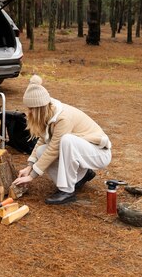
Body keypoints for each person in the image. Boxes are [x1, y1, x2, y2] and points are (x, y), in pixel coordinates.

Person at [12, 74, 111, 205]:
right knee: (42, 150)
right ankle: (81, 177)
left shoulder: (63, 118)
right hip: (82, 149)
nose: (28, 112)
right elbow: (42, 140)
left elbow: (54, 148)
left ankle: (67, 191)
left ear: (39, 107)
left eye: (30, 109)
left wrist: (32, 176)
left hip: (98, 152)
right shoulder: (48, 112)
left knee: (66, 140)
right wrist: (29, 166)